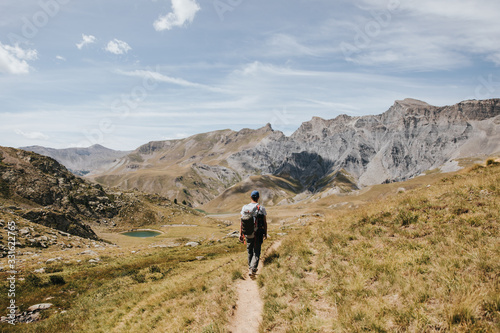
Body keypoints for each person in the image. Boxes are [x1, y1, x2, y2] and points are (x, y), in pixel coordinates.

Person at [240, 190, 267, 276]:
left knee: (249, 251)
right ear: (258, 198)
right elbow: (264, 222)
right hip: (257, 233)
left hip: (247, 233)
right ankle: (253, 269)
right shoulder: (261, 208)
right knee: (256, 251)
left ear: (251, 197)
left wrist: (241, 234)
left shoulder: (244, 208)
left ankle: (250, 268)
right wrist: (265, 233)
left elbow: (242, 222)